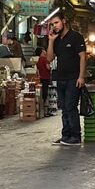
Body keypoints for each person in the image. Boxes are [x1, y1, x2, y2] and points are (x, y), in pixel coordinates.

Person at [47, 13, 86, 147]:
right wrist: (51, 41)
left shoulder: (76, 37)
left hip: (73, 78)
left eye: (56, 22)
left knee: (71, 106)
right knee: (64, 108)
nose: (54, 26)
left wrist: (81, 76)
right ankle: (66, 135)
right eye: (52, 24)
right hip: (60, 77)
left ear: (64, 21)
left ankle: (75, 136)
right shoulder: (56, 39)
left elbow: (82, 57)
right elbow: (49, 58)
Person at [35, 46, 52, 117]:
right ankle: (45, 112)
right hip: (46, 78)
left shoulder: (38, 60)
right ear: (42, 52)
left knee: (43, 94)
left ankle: (42, 112)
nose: (45, 51)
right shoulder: (45, 59)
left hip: (41, 78)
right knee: (45, 94)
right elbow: (48, 67)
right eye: (43, 50)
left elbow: (38, 71)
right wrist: (50, 68)